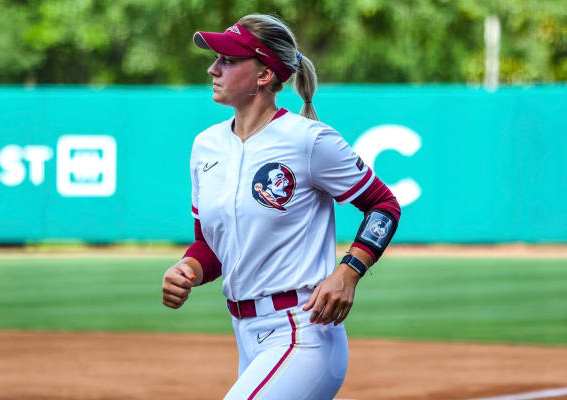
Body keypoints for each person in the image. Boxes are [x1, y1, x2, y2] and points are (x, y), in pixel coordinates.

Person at [162, 14, 401, 400]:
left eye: (227, 59)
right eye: (216, 58)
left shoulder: (308, 141)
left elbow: (383, 205)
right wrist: (187, 268)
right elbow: (211, 247)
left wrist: (350, 271)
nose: (213, 67)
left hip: (303, 332)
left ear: (263, 75)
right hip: (246, 336)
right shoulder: (205, 147)